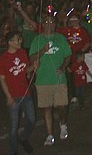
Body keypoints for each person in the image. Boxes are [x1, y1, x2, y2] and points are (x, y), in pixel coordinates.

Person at [28, 12, 72, 144]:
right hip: (43, 80)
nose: (49, 24)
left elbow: (68, 55)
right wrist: (42, 50)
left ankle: (63, 124)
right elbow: (31, 58)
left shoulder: (60, 38)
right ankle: (49, 134)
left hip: (59, 78)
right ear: (42, 24)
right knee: (46, 107)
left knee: (62, 106)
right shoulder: (37, 40)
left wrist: (63, 67)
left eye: (52, 22)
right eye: (46, 22)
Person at [0, 30, 35, 155]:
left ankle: (23, 138)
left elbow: (25, 70)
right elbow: (2, 79)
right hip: (13, 95)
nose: (20, 42)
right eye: (17, 39)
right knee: (14, 125)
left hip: (25, 93)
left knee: (31, 119)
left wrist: (33, 67)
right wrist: (8, 97)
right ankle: (14, 152)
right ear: (10, 42)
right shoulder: (3, 59)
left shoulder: (23, 53)